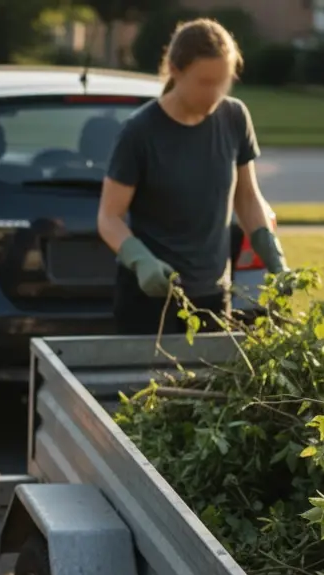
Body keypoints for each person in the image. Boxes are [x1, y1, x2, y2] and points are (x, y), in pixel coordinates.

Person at [96, 18, 287, 336]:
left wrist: (273, 253)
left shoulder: (234, 117)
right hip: (150, 300)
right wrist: (140, 260)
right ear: (174, 69)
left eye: (222, 81)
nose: (215, 93)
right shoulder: (139, 132)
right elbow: (108, 217)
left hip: (212, 296)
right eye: (204, 82)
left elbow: (248, 198)